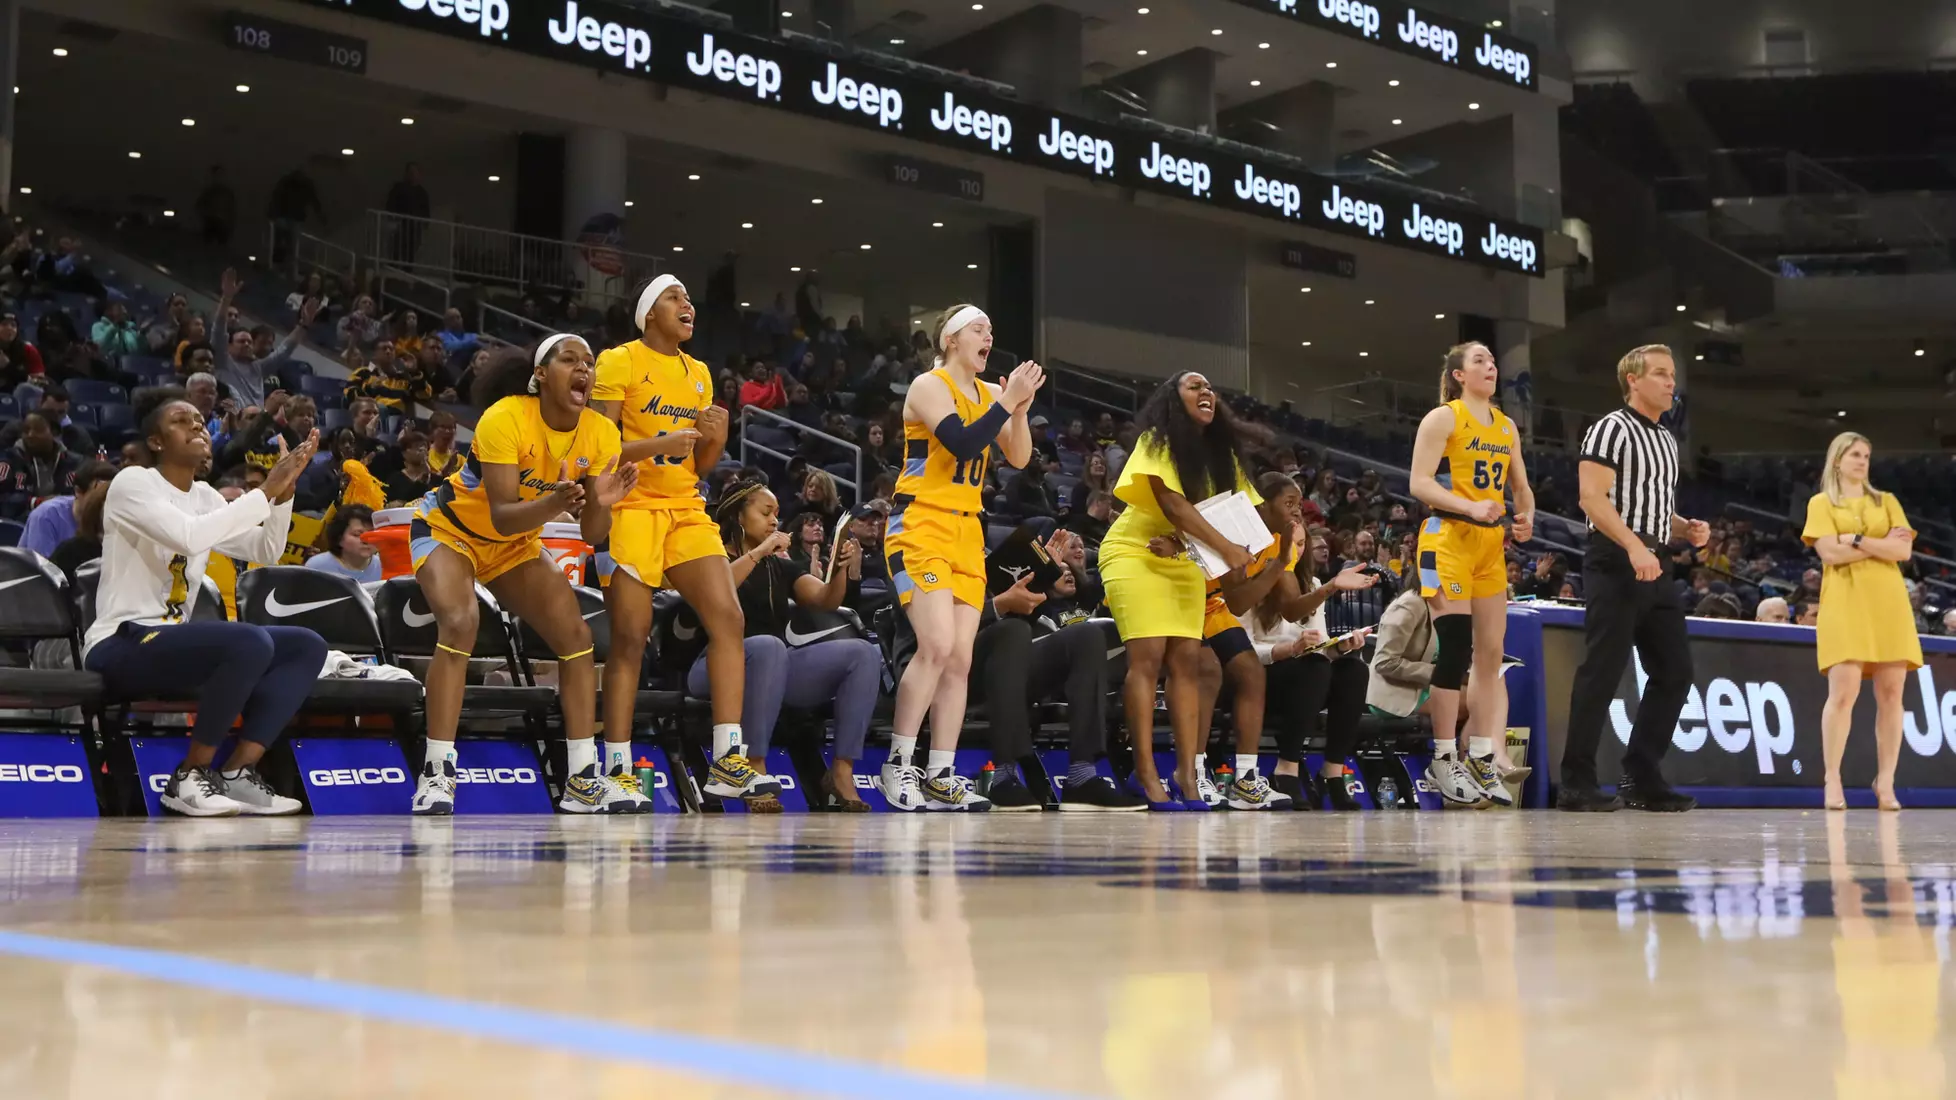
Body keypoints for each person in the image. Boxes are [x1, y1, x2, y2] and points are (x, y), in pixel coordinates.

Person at [407, 337, 639, 815]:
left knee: (576, 639)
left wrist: (602, 503)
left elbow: (592, 534)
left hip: (514, 545)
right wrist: (555, 502)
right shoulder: (505, 417)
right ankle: (436, 774)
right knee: (461, 623)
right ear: (541, 374)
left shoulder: (601, 432)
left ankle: (582, 778)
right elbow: (502, 514)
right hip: (450, 530)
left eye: (590, 362)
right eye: (570, 360)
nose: (584, 368)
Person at [84, 387, 325, 816]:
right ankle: (190, 775)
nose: (196, 425)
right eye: (181, 420)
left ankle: (237, 772)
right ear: (156, 441)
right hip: (120, 642)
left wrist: (282, 496)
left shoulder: (206, 496)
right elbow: (189, 536)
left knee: (305, 645)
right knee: (248, 641)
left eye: (199, 420)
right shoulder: (133, 483)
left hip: (172, 642)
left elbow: (266, 550)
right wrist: (264, 491)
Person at [589, 276, 760, 802]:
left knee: (729, 618)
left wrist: (716, 441)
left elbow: (699, 466)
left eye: (688, 298)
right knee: (630, 637)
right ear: (648, 313)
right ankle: (616, 768)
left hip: (685, 506)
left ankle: (727, 760)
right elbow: (595, 449)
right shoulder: (619, 361)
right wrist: (658, 442)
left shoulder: (699, 373)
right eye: (674, 298)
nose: (687, 305)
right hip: (629, 505)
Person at [881, 303, 1041, 811]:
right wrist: (1006, 402)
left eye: (991, 329)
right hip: (920, 523)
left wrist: (1019, 409)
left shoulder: (991, 393)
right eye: (978, 328)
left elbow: (1018, 457)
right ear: (950, 339)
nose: (988, 335)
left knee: (960, 659)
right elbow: (963, 443)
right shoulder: (928, 386)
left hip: (967, 529)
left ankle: (940, 773)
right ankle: (898, 764)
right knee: (935, 645)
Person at [1097, 372, 1259, 810]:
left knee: (1187, 662)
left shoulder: (1223, 456)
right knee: (1148, 659)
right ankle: (1146, 775)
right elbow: (1172, 504)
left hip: (1183, 557)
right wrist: (1224, 547)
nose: (1207, 392)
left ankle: (1188, 776)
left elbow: (1235, 516)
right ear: (1174, 398)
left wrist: (1192, 545)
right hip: (1135, 551)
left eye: (1210, 388)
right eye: (1195, 387)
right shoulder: (1157, 441)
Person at [1560, 345, 1710, 813]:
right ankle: (1576, 782)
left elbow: (1652, 507)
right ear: (1633, 380)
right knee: (1602, 671)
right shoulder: (1611, 428)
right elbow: (1592, 498)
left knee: (1675, 672)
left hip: (1655, 559)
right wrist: (1632, 546)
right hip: (1616, 559)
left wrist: (1684, 528)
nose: (1671, 382)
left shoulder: (1666, 439)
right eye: (1661, 374)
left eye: (1672, 375)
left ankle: (1640, 777)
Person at [700, 478, 881, 811]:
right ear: (739, 515)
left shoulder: (779, 566)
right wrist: (758, 553)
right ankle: (753, 767)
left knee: (863, 653)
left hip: (773, 664)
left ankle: (841, 771)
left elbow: (825, 600)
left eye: (777, 514)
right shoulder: (708, 556)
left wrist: (839, 568)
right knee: (769, 646)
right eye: (765, 512)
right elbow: (718, 588)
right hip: (711, 665)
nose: (774, 521)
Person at [1408, 342, 1536, 808]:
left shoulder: (1505, 426)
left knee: (1491, 653)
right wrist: (1469, 506)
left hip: (1489, 545)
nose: (1491, 366)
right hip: (1446, 537)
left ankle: (1481, 753)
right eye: (1479, 360)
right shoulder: (1444, 418)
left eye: (1493, 361)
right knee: (1456, 646)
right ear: (1459, 375)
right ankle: (1443, 757)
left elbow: (1521, 487)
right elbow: (1419, 483)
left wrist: (1526, 514)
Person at [941, 528, 1145, 811]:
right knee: (1011, 631)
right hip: (953, 669)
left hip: (1007, 663)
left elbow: (1025, 614)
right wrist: (998, 606)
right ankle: (1003, 776)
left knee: (1087, 635)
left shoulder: (980, 557)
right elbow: (932, 628)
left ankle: (1082, 776)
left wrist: (1040, 574)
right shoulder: (925, 554)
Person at [1804, 432, 1922, 811]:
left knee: (1892, 694)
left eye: (1867, 456)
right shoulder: (1821, 503)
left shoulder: (1887, 501)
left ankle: (1885, 781)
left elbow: (1903, 550)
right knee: (1843, 693)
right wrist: (1879, 545)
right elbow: (1830, 554)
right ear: (1837, 460)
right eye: (1855, 454)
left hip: (1889, 603)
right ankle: (1832, 778)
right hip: (1844, 601)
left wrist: (1856, 539)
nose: (1862, 461)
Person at [1245, 525, 1374, 811]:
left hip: (1308, 673)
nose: (1296, 550)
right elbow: (1242, 650)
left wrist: (1340, 647)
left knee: (1353, 671)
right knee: (1314, 667)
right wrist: (1290, 649)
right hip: (1261, 676)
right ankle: (1286, 769)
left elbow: (1321, 644)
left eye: (1302, 544)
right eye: (1290, 543)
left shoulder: (1312, 583)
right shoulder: (1250, 583)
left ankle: (1332, 772)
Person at [20, 459, 114, 560]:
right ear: (78, 492)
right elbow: (41, 568)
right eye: (99, 495)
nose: (105, 501)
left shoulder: (112, 519)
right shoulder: (45, 516)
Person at [306, 503, 382, 582]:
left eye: (372, 534)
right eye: (357, 534)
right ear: (339, 538)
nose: (366, 540)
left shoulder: (384, 567)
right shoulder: (317, 566)